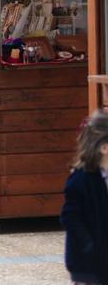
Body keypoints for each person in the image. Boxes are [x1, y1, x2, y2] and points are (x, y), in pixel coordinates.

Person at [61, 112, 108, 284]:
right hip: (87, 263)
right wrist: (89, 244)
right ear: (104, 148)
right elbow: (69, 216)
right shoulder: (80, 179)